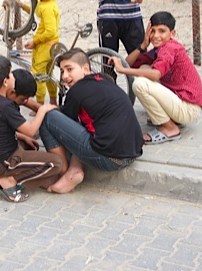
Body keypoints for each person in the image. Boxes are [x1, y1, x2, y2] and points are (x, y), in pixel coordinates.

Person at [38, 48, 144, 193]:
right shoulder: (103, 79)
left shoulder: (76, 91)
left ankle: (61, 173)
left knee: (48, 117)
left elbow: (61, 122)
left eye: (69, 69)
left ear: (86, 69)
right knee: (86, 122)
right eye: (62, 71)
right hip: (132, 154)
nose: (65, 76)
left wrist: (39, 108)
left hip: (108, 159)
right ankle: (75, 169)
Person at [0, 55, 63, 202]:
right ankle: (9, 181)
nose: (13, 76)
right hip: (2, 162)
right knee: (56, 163)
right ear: (5, 82)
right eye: (10, 74)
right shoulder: (6, 106)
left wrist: (21, 137)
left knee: (28, 145)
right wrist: (42, 110)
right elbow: (30, 130)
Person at [111, 11, 202, 145]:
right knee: (144, 69)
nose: (156, 36)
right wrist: (143, 45)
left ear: (172, 34)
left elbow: (155, 74)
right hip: (181, 102)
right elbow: (129, 62)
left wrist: (122, 70)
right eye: (152, 31)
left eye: (162, 31)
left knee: (140, 84)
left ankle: (169, 128)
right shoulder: (158, 50)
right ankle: (169, 118)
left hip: (188, 108)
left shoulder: (170, 48)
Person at [17, 0, 63, 108]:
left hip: (45, 45)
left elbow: (50, 31)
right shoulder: (45, 3)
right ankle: (53, 101)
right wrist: (23, 6)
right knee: (48, 74)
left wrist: (35, 42)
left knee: (38, 75)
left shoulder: (47, 8)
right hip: (52, 45)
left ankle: (40, 105)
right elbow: (36, 13)